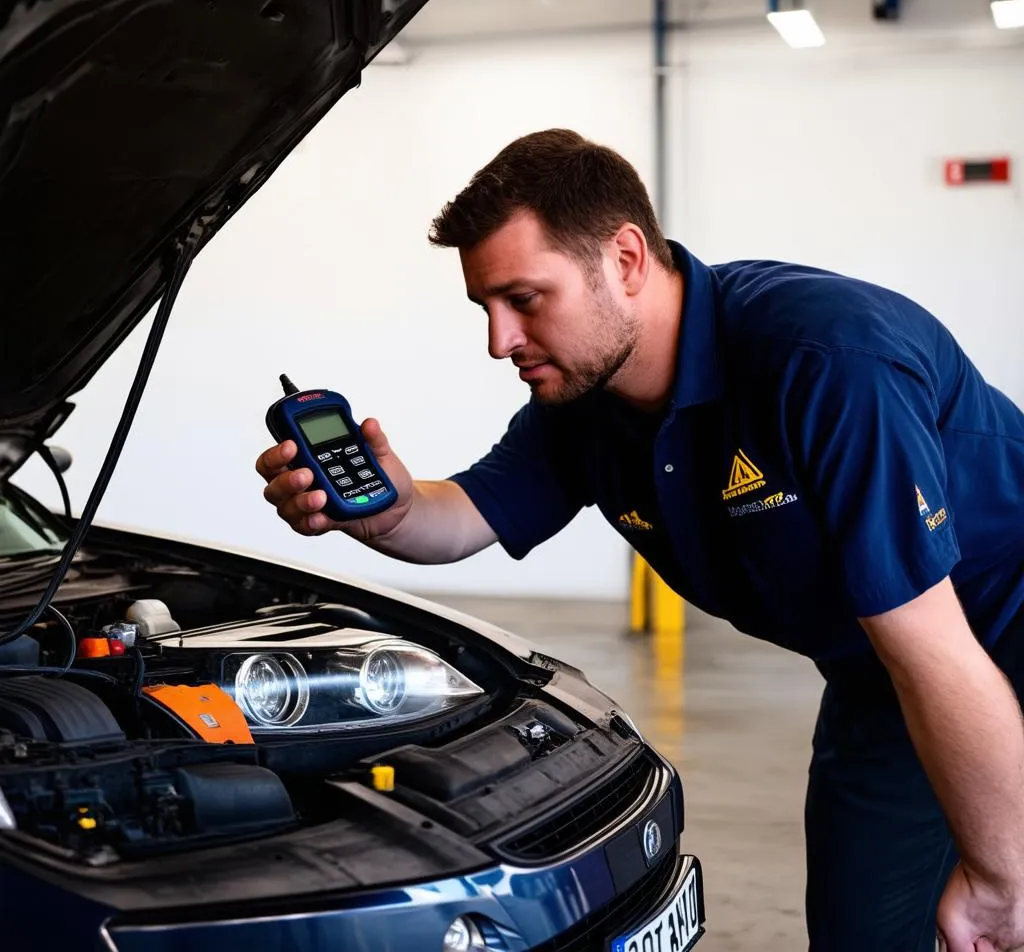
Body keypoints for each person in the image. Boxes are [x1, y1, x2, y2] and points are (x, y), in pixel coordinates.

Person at [255, 128, 1024, 951]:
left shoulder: (826, 360)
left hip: (979, 636)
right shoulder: (587, 404)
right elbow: (463, 517)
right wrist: (390, 512)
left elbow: (934, 648)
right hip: (882, 677)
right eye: (485, 307)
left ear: (624, 259)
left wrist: (1000, 880)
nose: (498, 340)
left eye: (525, 299)